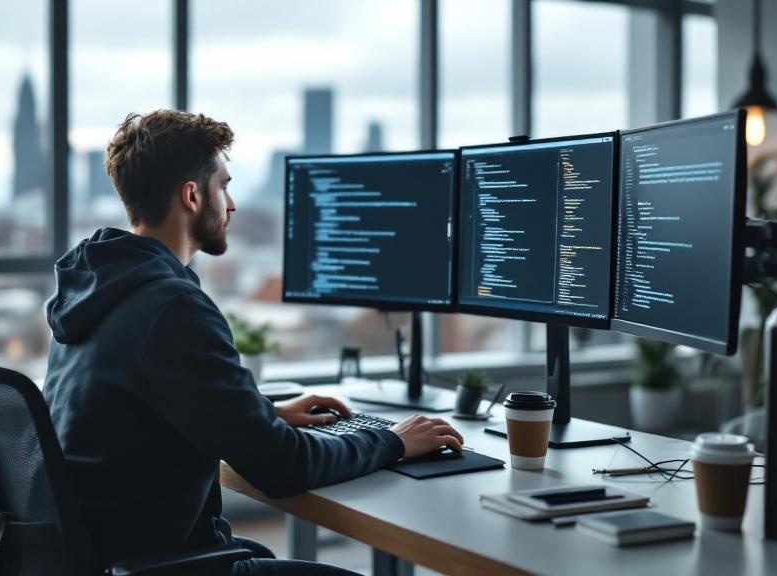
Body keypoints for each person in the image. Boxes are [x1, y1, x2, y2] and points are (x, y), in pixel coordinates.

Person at [42, 110, 465, 575]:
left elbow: (132, 407)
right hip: (160, 562)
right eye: (223, 186)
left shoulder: (98, 286)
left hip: (102, 553)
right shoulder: (171, 306)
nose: (232, 203)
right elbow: (284, 468)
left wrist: (261, 413)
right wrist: (392, 440)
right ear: (191, 195)